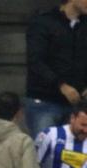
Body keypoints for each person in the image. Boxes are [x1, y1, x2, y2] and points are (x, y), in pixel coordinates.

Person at [24, 0, 87, 138]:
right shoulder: (43, 22)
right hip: (45, 100)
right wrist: (61, 85)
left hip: (76, 105)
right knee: (44, 151)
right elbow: (35, 61)